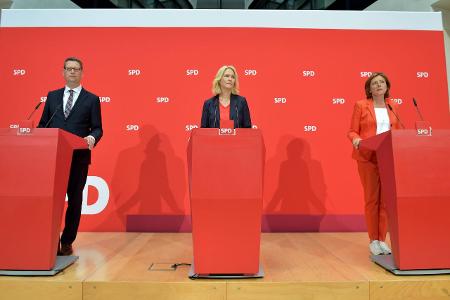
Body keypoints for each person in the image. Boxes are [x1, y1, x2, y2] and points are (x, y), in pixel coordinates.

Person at [38, 57, 103, 256]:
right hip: (54, 159)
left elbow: (98, 128)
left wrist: (92, 137)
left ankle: (67, 241)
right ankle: (50, 241)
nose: (72, 72)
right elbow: (43, 125)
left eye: (76, 69)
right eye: (69, 69)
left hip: (78, 159)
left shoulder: (91, 99)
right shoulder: (53, 97)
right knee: (51, 201)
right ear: (63, 72)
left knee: (74, 201)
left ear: (82, 73)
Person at [347, 72, 402, 256]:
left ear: (387, 87)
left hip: (388, 157)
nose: (378, 85)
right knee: (372, 199)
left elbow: (399, 131)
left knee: (386, 202)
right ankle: (373, 240)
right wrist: (357, 140)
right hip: (367, 156)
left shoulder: (392, 105)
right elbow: (352, 131)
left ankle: (382, 239)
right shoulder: (361, 105)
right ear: (369, 88)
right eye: (374, 83)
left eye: (381, 82)